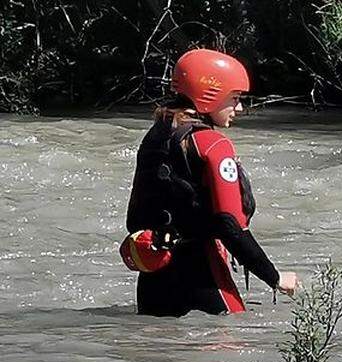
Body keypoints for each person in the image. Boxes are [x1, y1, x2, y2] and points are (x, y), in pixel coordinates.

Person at [121, 48, 299, 316]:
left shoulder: (155, 136)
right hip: (203, 273)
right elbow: (230, 225)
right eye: (235, 98)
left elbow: (135, 219)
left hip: (153, 277)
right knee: (231, 348)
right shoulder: (214, 144)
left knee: (158, 351)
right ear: (210, 94)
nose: (239, 108)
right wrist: (274, 277)